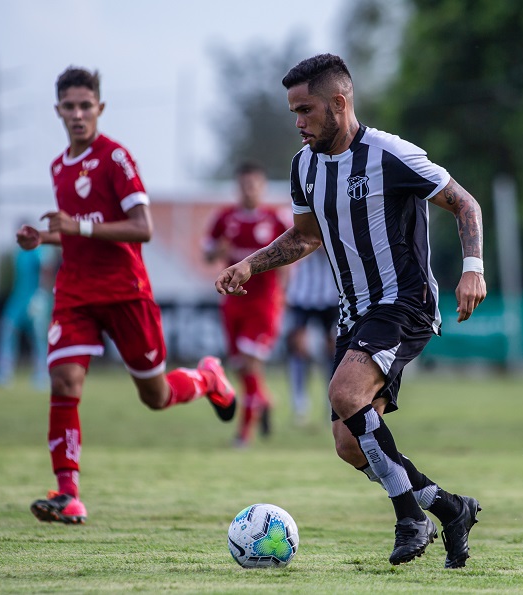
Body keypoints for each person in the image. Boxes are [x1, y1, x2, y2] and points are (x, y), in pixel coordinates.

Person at [215, 54, 487, 568]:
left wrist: (473, 267)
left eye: (306, 110)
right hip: (354, 313)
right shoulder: (305, 167)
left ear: (339, 103)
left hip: (403, 303)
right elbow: (304, 236)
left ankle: (409, 518)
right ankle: (451, 509)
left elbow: (465, 204)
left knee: (344, 392)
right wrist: (251, 264)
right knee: (348, 443)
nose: (298, 122)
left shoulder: (392, 155)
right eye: (293, 111)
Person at [17, 66, 236, 525]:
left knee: (154, 396)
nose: (77, 114)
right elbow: (80, 234)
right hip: (75, 292)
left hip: (124, 292)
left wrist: (76, 226)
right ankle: (68, 492)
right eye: (69, 107)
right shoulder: (59, 166)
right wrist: (47, 237)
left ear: (99, 108)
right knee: (64, 383)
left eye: (85, 105)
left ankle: (208, 379)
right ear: (58, 111)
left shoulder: (115, 158)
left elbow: (143, 229)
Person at [203, 161, 289, 446]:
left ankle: (244, 433)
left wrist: (282, 296)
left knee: (250, 364)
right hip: (233, 302)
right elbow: (208, 256)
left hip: (263, 303)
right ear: (237, 186)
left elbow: (289, 258)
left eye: (254, 184)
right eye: (244, 184)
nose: (249, 189)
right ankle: (263, 401)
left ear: (262, 186)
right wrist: (219, 251)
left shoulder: (274, 220)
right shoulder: (224, 219)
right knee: (241, 367)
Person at [0, 239, 57, 389]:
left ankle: (42, 374)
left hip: (34, 299)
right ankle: (4, 371)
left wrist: (42, 294)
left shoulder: (39, 251)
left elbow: (47, 269)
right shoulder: (19, 252)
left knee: (39, 337)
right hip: (18, 299)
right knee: (6, 329)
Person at [284, 247, 338, 425]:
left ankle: (332, 402)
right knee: (298, 347)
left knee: (333, 349)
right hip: (301, 293)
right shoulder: (298, 218)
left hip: (331, 295)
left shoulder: (339, 220)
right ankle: (300, 404)